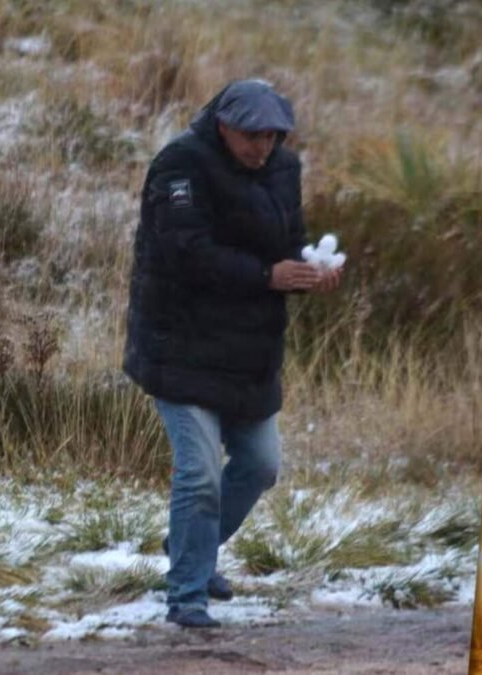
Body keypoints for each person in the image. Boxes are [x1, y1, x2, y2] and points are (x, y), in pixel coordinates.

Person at [124, 79, 342, 628]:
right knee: (198, 475)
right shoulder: (179, 165)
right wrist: (267, 276)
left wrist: (309, 269)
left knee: (261, 465)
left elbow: (286, 241)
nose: (262, 147)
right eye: (252, 136)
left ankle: (189, 549)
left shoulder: (283, 169)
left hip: (249, 351)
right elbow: (183, 252)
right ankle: (187, 598)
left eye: (272, 136)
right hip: (179, 344)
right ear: (223, 124)